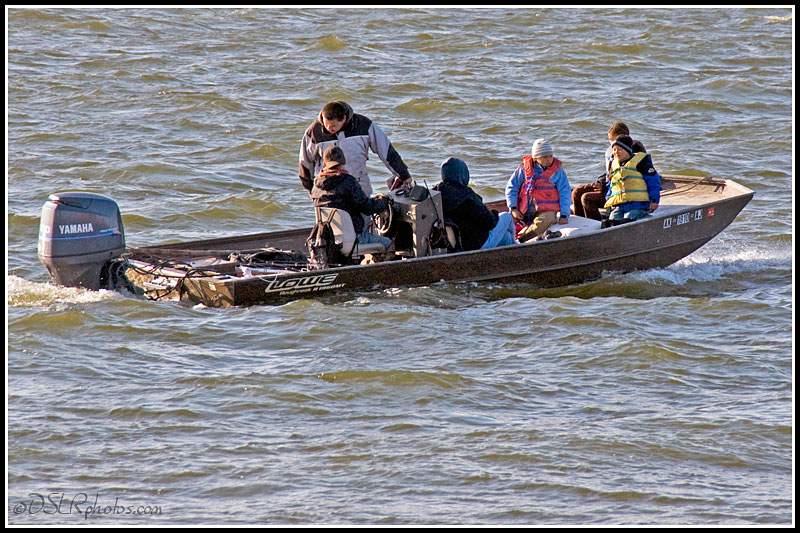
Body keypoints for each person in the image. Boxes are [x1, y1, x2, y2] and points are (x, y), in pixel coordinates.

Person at [299, 101, 412, 196]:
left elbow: (386, 151)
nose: (329, 128)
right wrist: (311, 190)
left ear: (344, 118)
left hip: (359, 184)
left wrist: (404, 175)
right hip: (327, 188)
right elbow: (305, 164)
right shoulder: (313, 132)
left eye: (333, 126)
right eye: (326, 124)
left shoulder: (364, 125)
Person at [310, 146, 393, 250]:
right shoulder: (348, 182)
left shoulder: (316, 186)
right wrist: (385, 201)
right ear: (342, 163)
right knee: (389, 243)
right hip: (354, 239)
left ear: (325, 164)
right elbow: (367, 207)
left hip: (329, 239)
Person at [433, 157, 516, 251]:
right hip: (478, 245)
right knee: (506, 217)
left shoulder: (435, 194)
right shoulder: (466, 195)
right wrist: (494, 213)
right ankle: (520, 245)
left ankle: (516, 249)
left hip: (459, 246)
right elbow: (489, 222)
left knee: (506, 237)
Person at [572, 121, 646, 221]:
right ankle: (582, 223)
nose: (611, 144)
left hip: (622, 193)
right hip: (608, 186)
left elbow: (625, 177)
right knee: (577, 192)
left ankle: (598, 224)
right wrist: (599, 182)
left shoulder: (633, 151)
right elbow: (611, 173)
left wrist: (604, 188)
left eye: (612, 140)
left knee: (587, 198)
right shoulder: (614, 152)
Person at [505, 138, 571, 243]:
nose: (549, 159)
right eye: (545, 157)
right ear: (536, 158)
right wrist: (513, 208)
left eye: (550, 156)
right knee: (507, 219)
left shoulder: (558, 172)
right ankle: (506, 238)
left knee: (546, 219)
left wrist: (564, 215)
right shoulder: (523, 170)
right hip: (524, 210)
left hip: (546, 211)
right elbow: (512, 187)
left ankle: (523, 238)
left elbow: (565, 193)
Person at [604, 134, 661, 223]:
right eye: (614, 149)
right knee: (613, 218)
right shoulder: (614, 165)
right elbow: (611, 185)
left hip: (639, 204)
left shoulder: (641, 162)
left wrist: (654, 200)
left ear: (628, 150)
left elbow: (653, 182)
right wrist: (609, 200)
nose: (616, 152)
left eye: (620, 149)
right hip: (621, 204)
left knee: (629, 218)